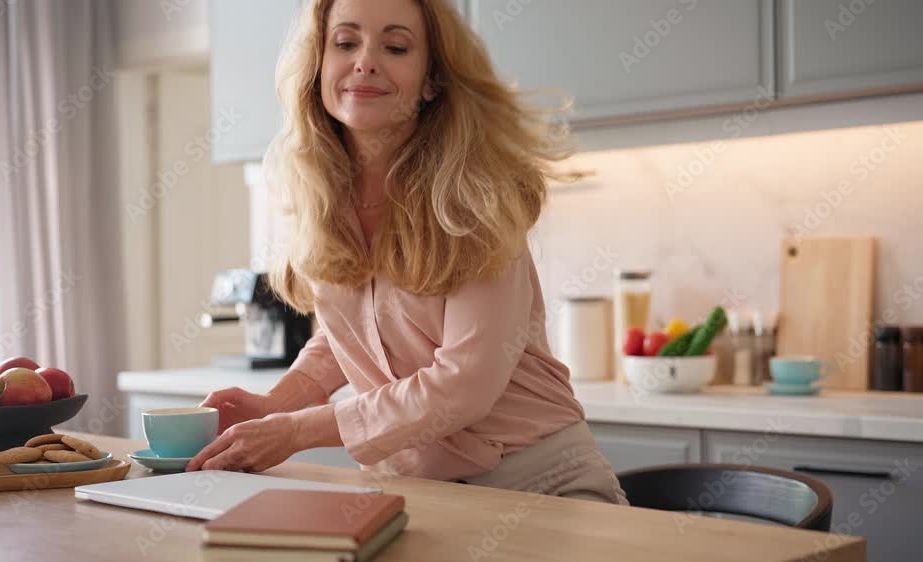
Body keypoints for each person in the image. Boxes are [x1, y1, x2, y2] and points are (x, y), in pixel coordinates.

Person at [186, 0, 628, 506]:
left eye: (395, 47)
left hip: (542, 485)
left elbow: (464, 385)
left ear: (430, 82)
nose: (366, 61)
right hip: (418, 492)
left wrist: (295, 431)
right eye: (345, 42)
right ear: (318, 68)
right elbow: (345, 338)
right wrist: (271, 405)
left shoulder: (473, 200)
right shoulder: (326, 198)